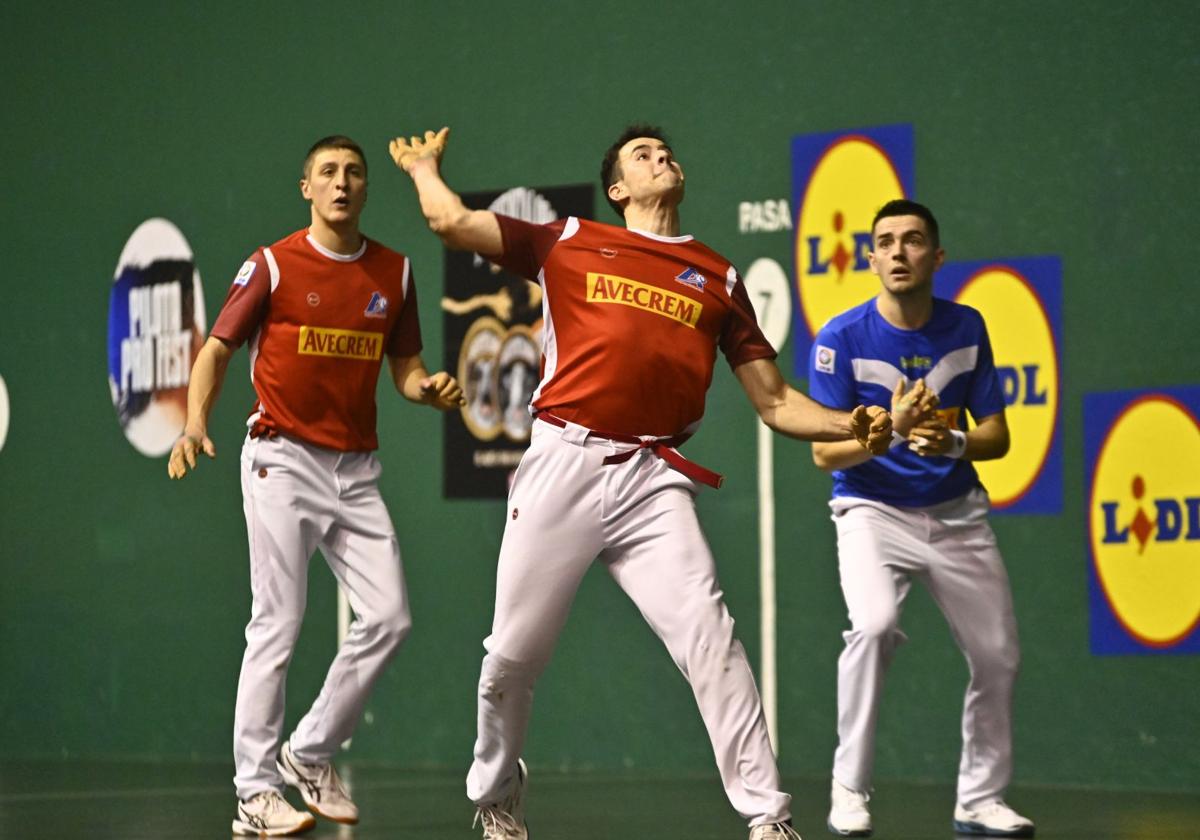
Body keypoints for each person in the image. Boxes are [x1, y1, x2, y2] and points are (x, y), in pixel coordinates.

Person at [388, 124, 893, 840]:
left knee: (711, 638)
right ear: (618, 187)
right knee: (511, 656)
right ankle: (497, 788)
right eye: (643, 155)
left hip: (653, 479)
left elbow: (775, 401)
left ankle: (768, 816)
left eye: (667, 151)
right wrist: (423, 169)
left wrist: (852, 426)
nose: (664, 158)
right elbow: (449, 222)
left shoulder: (717, 277)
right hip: (564, 461)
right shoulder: (567, 240)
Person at [167, 135, 463, 837]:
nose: (342, 183)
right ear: (307, 188)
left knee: (391, 616)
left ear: (366, 189)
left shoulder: (395, 271)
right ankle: (254, 790)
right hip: (281, 460)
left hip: (355, 470)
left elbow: (406, 368)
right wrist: (193, 423)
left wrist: (429, 389)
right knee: (278, 623)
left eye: (354, 174)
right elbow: (216, 350)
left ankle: (310, 751)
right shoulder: (272, 264)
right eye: (328, 173)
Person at [808, 199, 1034, 838]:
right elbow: (827, 452)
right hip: (871, 512)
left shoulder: (967, 327)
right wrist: (893, 431)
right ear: (870, 257)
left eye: (913, 241)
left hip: (958, 515)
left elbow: (996, 434)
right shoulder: (842, 339)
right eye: (887, 242)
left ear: (936, 256)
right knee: (874, 625)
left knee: (998, 656)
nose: (899, 252)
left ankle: (980, 799)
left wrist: (952, 441)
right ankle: (849, 787)